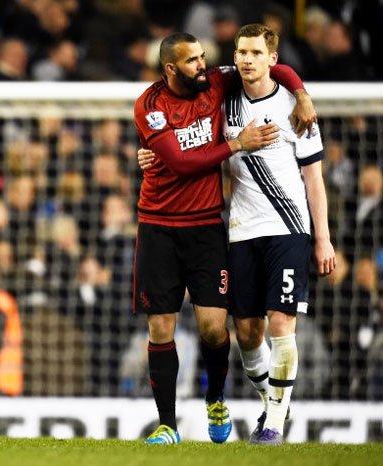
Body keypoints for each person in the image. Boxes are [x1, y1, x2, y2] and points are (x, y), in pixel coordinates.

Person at [138, 25, 334, 445]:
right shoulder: (181, 100)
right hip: (207, 229)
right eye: (240, 52)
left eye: (254, 53)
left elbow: (314, 177)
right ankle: (186, 421)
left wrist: (301, 94)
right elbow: (180, 161)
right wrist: (237, 143)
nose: (242, 60)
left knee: (252, 327)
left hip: (257, 227)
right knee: (236, 333)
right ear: (172, 67)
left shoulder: (265, 99)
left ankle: (264, 418)